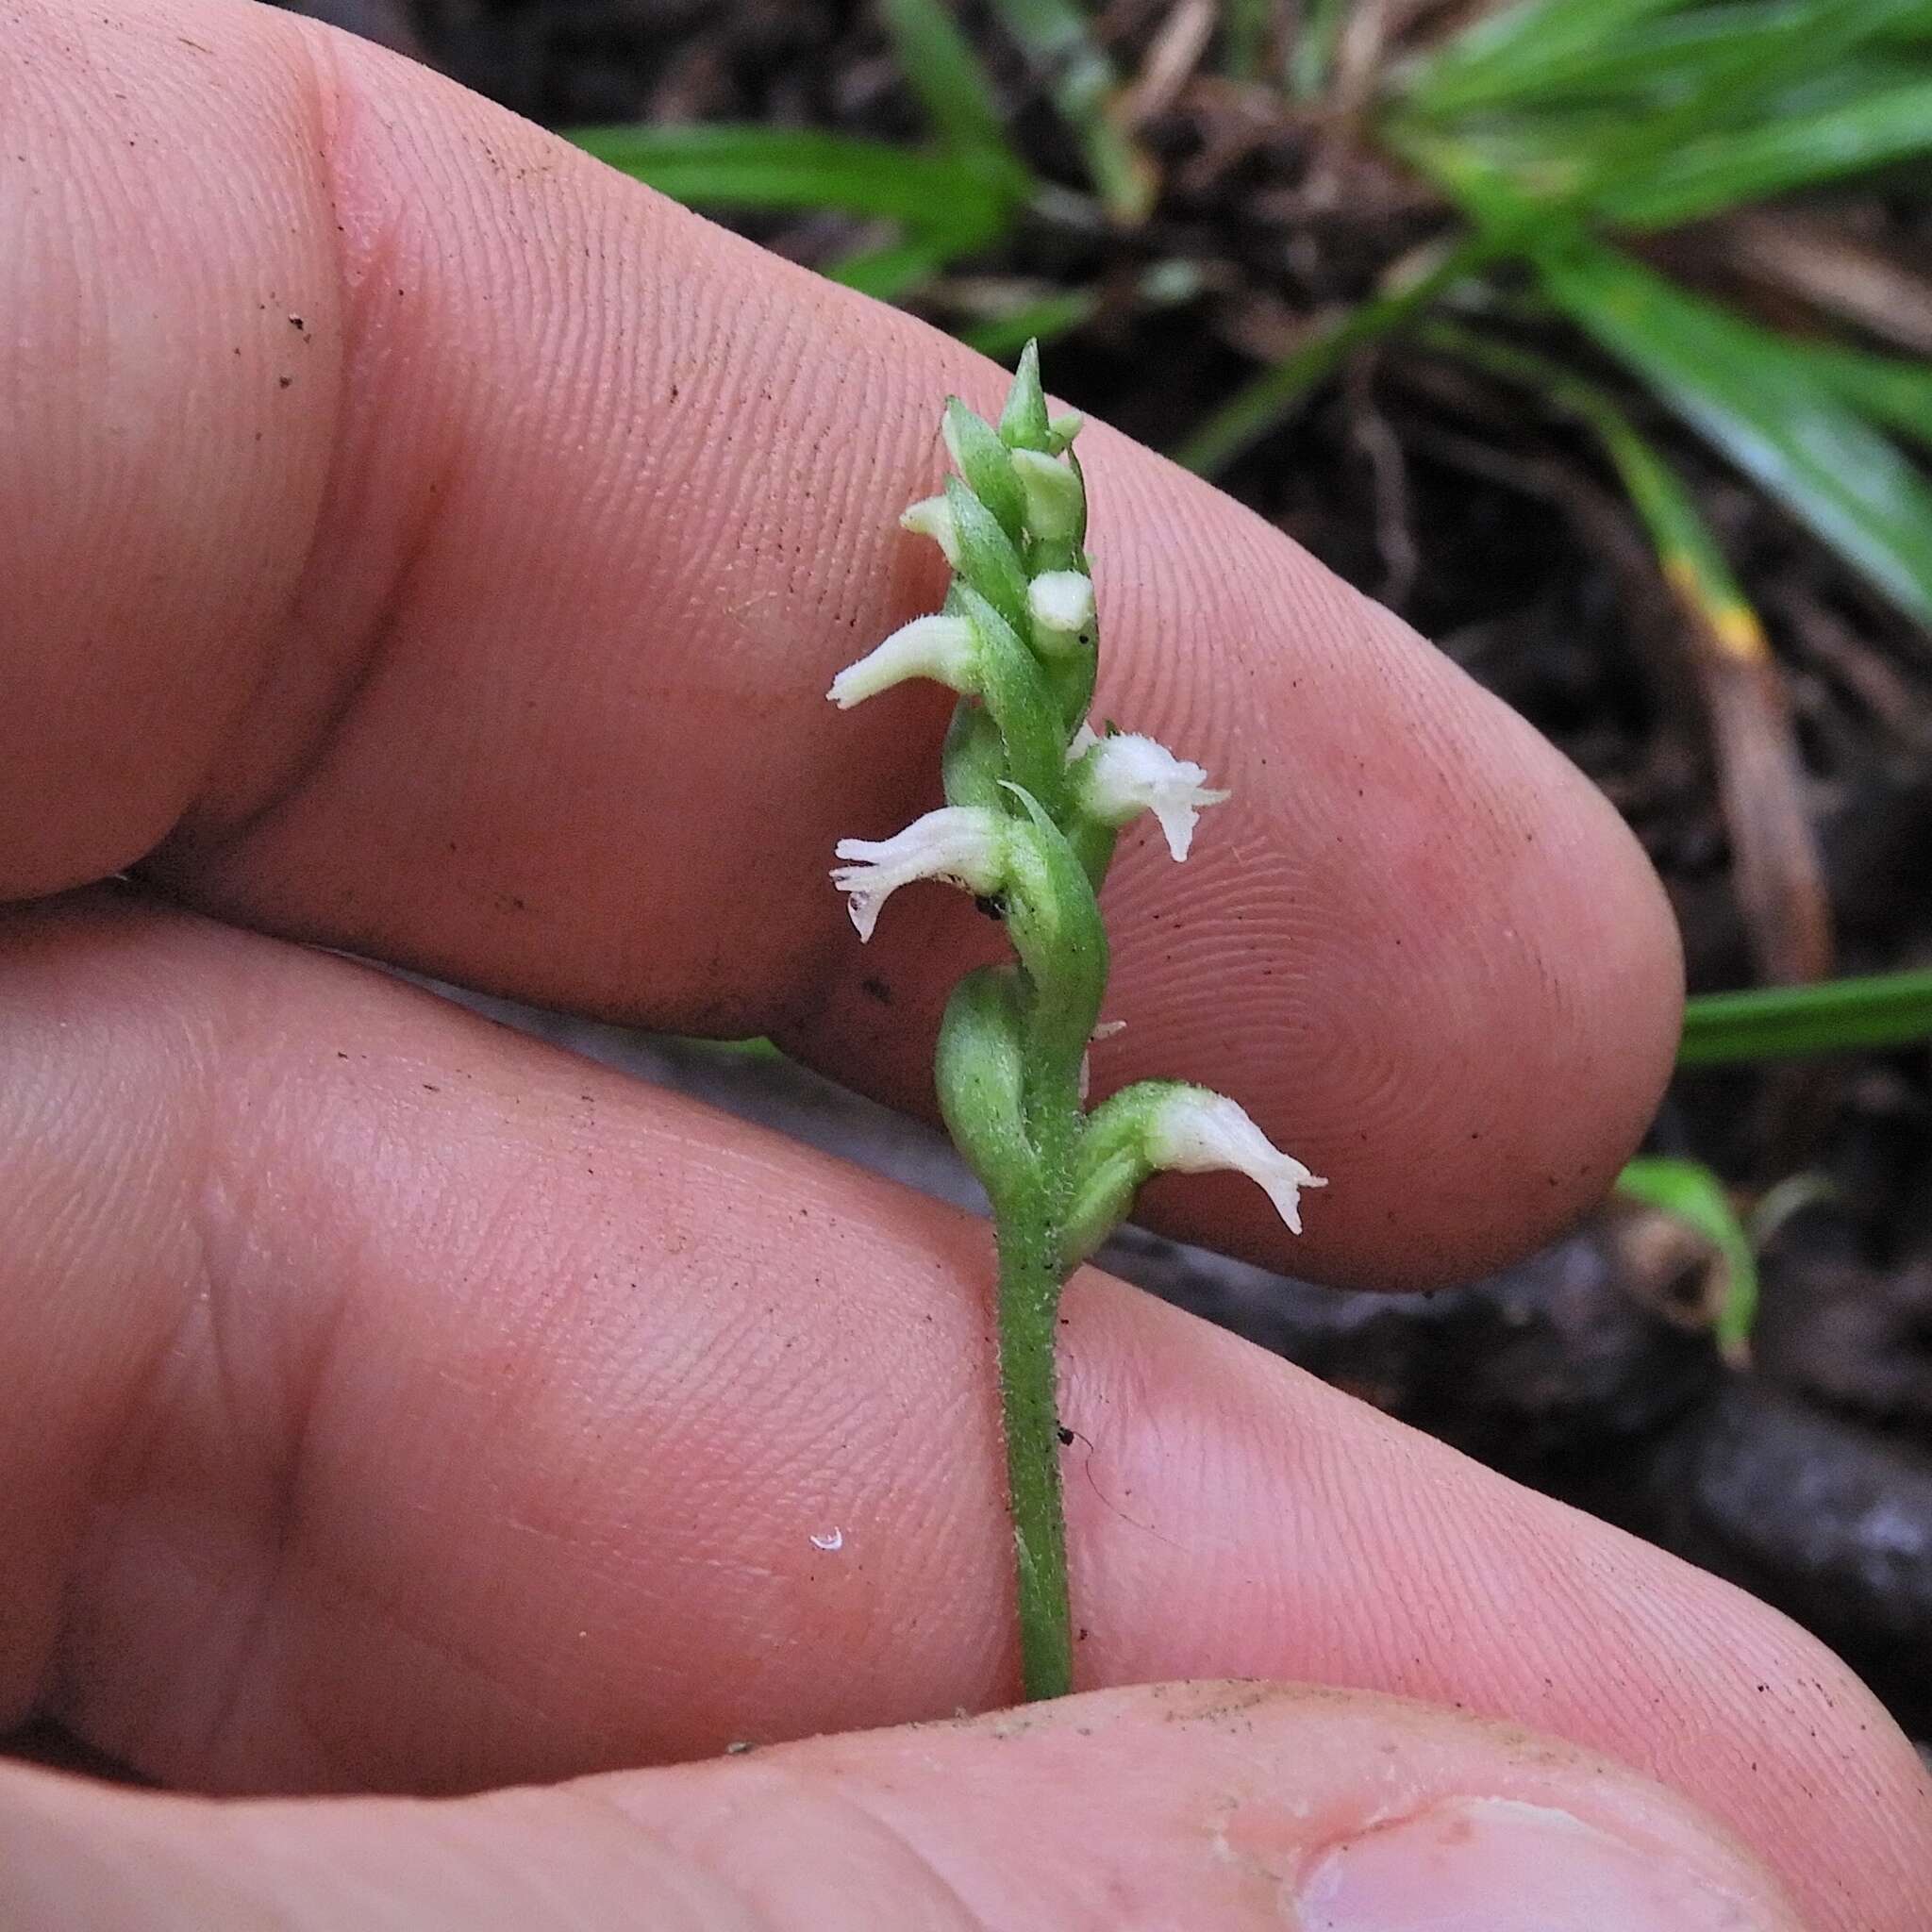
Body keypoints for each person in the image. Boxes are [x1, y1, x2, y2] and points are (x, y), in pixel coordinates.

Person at [2, 1, 1926, 1924]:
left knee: (1112, 1124)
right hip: (1021, 922)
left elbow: (1061, 917)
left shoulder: (1059, 864)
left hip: (1041, 950)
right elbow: (1016, 916)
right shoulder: (998, 834)